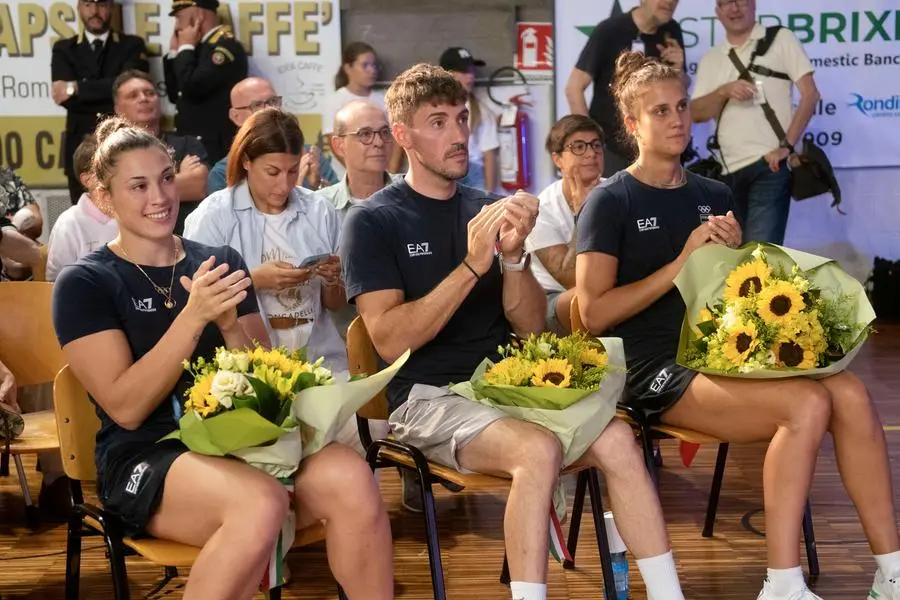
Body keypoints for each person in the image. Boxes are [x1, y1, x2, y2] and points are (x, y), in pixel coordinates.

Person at [341, 63, 685, 600]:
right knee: (538, 451)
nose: (458, 134)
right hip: (425, 398)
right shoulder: (373, 220)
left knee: (619, 438)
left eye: (460, 118)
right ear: (403, 137)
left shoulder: (485, 208)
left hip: (507, 386)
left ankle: (670, 595)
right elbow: (387, 340)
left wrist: (511, 259)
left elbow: (527, 324)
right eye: (438, 122)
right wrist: (472, 266)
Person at [575, 52, 900, 600]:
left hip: (720, 355)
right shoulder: (611, 200)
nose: (678, 119)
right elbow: (591, 315)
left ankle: (892, 572)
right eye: (661, 111)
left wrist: (744, 269)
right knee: (806, 406)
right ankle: (782, 583)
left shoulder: (714, 194)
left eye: (682, 106)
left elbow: (738, 299)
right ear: (632, 125)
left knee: (849, 391)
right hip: (651, 369)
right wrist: (680, 262)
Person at [51, 117, 394, 600]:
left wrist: (231, 324)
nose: (160, 197)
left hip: (244, 440)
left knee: (353, 479)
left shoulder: (219, 260)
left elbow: (266, 377)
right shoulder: (85, 283)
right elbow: (125, 407)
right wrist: (193, 319)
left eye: (167, 179)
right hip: (147, 453)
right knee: (260, 502)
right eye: (139, 185)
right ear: (105, 198)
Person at [184, 108, 348, 377]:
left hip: (322, 361)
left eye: (293, 171)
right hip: (245, 368)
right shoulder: (214, 214)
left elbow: (336, 304)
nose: (284, 185)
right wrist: (254, 279)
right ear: (246, 161)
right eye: (272, 172)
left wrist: (332, 280)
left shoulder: (319, 209)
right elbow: (195, 299)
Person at [691, 0, 820, 245]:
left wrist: (788, 146)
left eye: (740, 1)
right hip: (725, 173)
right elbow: (696, 113)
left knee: (760, 257)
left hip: (768, 167)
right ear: (717, 12)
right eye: (725, 3)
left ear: (753, 4)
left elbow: (811, 94)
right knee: (730, 256)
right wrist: (723, 91)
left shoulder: (781, 38)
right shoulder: (711, 59)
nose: (734, 8)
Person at [565, 0, 685, 177]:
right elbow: (574, 88)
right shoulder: (610, 30)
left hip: (657, 151)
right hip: (612, 151)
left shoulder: (671, 30)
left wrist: (679, 69)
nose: (670, 2)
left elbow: (681, 88)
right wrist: (590, 144)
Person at [51, 0, 149, 203]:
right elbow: (63, 97)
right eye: (88, 5)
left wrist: (78, 87)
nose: (95, 11)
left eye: (102, 5)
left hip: (122, 143)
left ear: (111, 7)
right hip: (79, 149)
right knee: (83, 218)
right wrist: (111, 87)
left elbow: (127, 85)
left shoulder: (132, 45)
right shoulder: (64, 49)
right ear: (79, 8)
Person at [318, 100, 398, 339]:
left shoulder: (413, 195)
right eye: (364, 134)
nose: (378, 142)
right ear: (338, 145)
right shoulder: (318, 207)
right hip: (340, 351)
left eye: (385, 133)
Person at [524, 115, 604, 335]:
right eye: (578, 147)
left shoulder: (617, 192)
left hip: (607, 287)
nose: (590, 153)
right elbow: (571, 278)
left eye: (596, 145)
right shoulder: (541, 211)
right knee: (583, 297)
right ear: (557, 159)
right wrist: (585, 215)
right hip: (554, 298)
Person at [113, 69, 209, 234]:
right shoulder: (112, 153)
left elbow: (198, 185)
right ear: (117, 108)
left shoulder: (187, 144)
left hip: (187, 242)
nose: (143, 98)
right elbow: (114, 198)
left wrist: (137, 188)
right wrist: (179, 177)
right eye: (133, 95)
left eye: (149, 93)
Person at [205, 77, 334, 195]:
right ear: (236, 116)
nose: (269, 110)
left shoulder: (308, 155)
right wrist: (296, 188)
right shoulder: (223, 173)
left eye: (273, 101)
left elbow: (337, 206)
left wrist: (317, 184)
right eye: (257, 105)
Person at [163, 0, 248, 163]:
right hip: (188, 144)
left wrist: (185, 48)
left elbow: (192, 87)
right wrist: (175, 52)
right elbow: (175, 93)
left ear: (200, 15)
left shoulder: (225, 47)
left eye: (180, 17)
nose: (177, 24)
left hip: (213, 147)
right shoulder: (194, 49)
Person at [47, 136, 119, 282]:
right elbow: (56, 281)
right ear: (87, 180)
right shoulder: (69, 224)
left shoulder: (134, 215)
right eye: (108, 170)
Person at [438, 47, 499, 192]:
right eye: (464, 72)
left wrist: (488, 195)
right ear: (448, 75)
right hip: (442, 171)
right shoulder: (432, 109)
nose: (471, 76)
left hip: (472, 174)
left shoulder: (482, 112)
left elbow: (489, 156)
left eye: (472, 71)